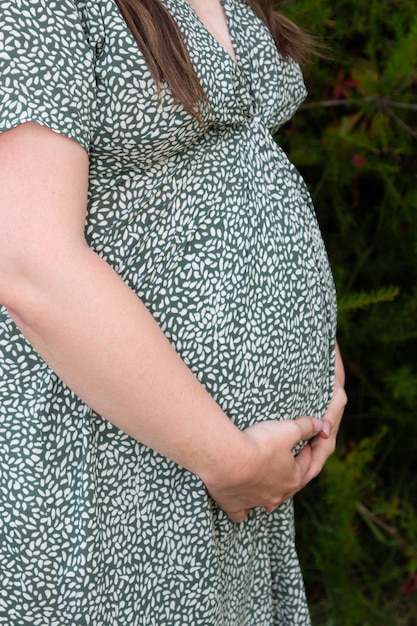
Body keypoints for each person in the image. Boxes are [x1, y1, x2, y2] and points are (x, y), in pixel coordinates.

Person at [0, 0, 347, 624]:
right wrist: (229, 460)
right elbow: (28, 261)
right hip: (110, 478)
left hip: (231, 489)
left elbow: (243, 175)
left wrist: (324, 363)